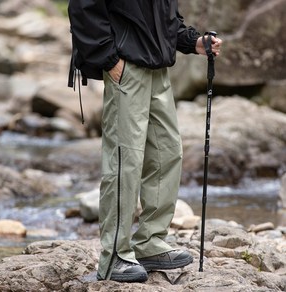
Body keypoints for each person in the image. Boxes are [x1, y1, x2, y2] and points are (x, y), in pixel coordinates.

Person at [68, 0, 222, 283]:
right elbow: (82, 7)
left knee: (168, 153)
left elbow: (164, 19)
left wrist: (193, 42)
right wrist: (109, 59)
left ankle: (150, 242)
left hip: (158, 71)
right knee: (126, 161)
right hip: (125, 70)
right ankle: (114, 256)